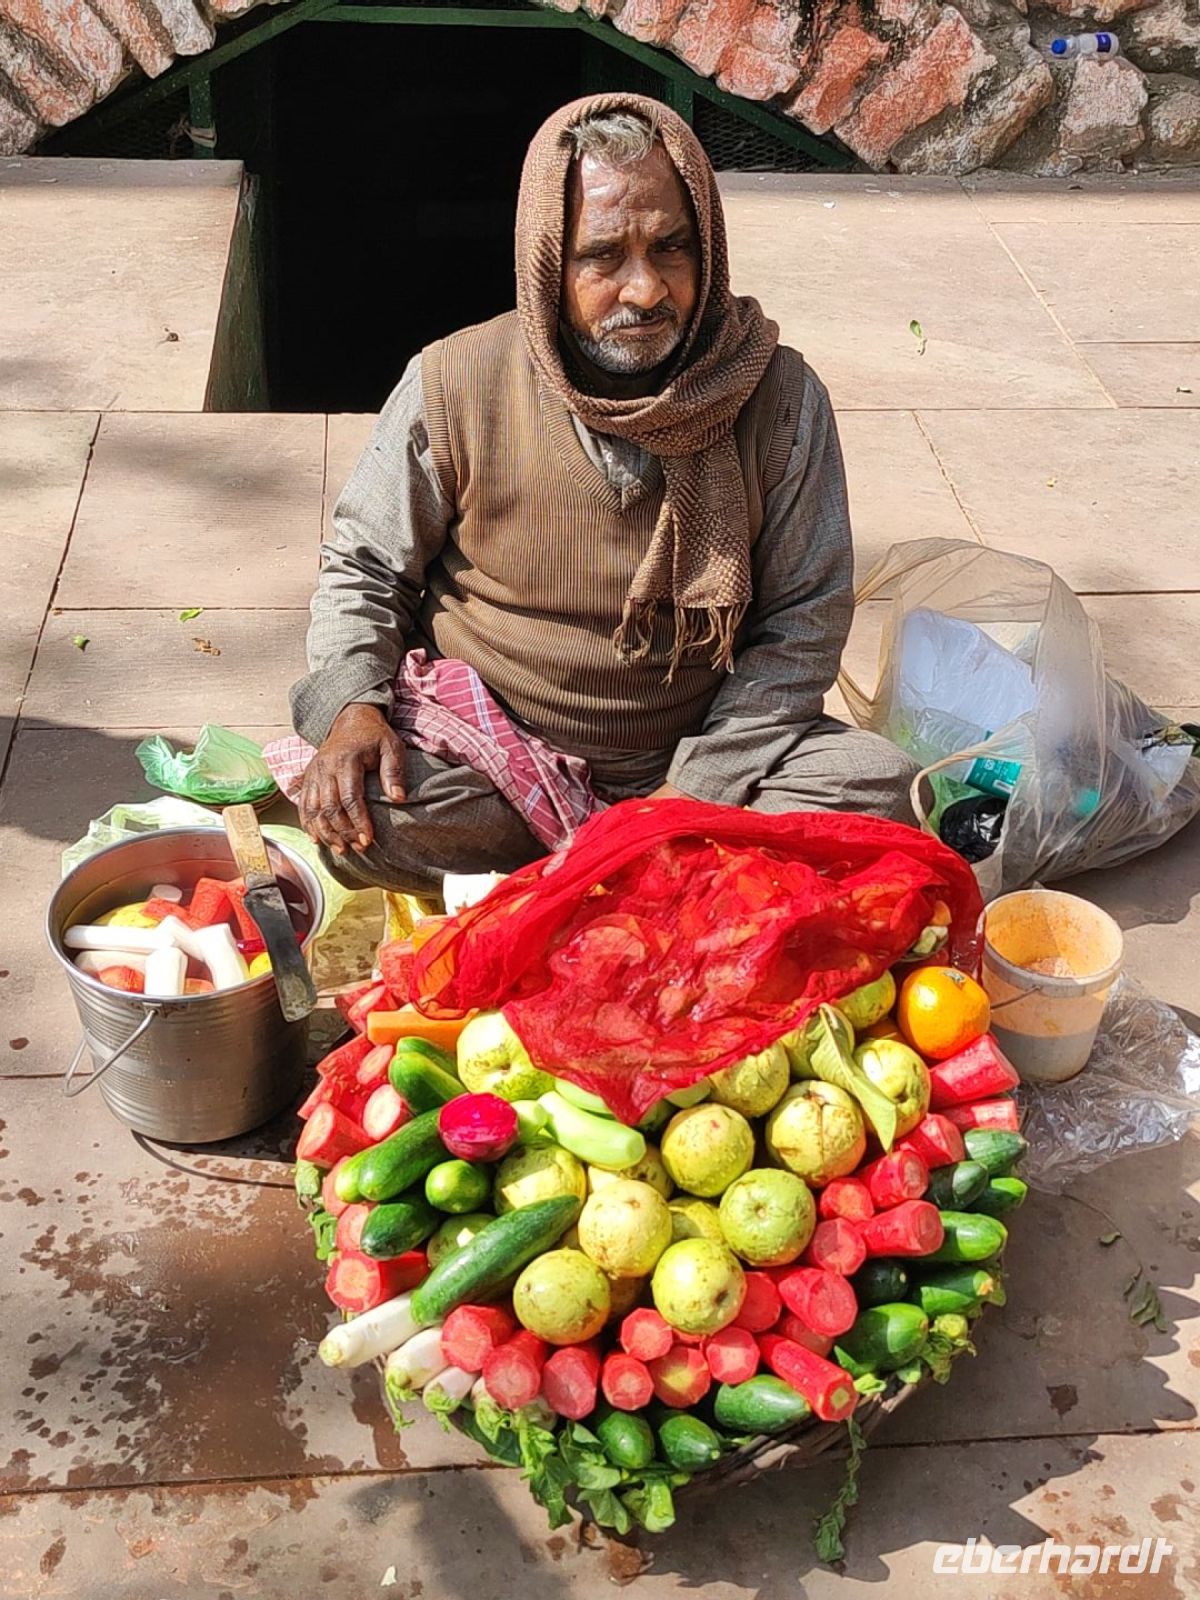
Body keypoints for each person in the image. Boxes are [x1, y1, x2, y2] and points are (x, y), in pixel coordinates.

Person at [279, 93, 917, 893]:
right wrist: (352, 710)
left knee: (884, 792)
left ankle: (598, 869)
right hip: (497, 757)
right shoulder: (455, 381)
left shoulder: (777, 394)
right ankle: (643, 877)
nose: (645, 290)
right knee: (364, 808)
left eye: (672, 248)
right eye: (603, 256)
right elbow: (364, 567)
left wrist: (689, 795)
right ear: (550, 259)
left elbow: (804, 624)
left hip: (701, 752)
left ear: (708, 248)